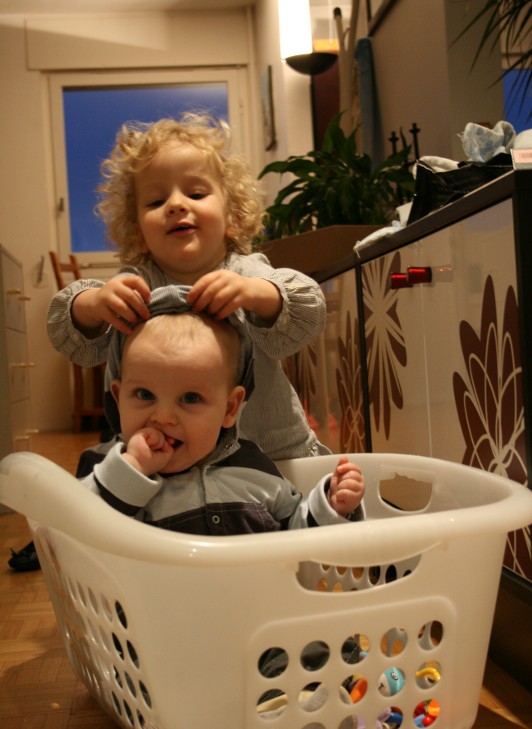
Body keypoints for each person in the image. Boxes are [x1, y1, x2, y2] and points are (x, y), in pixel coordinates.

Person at [47, 112, 330, 462]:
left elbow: (308, 309)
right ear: (137, 230)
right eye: (156, 201)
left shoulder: (245, 271)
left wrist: (255, 294)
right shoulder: (137, 284)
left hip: (268, 455)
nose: (177, 205)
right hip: (164, 459)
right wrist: (92, 304)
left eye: (196, 193)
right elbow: (71, 336)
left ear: (232, 216)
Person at [80, 286, 364, 533]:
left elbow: (296, 534)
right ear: (118, 398)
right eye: (144, 395)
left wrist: (332, 505)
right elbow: (79, 528)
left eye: (190, 398)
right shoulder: (105, 467)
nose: (163, 418)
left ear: (230, 408)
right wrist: (133, 467)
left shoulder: (254, 469)